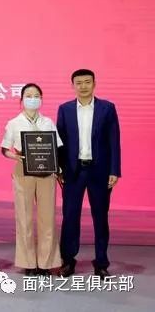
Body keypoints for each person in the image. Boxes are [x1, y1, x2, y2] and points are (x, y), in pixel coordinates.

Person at [57, 69, 121, 278]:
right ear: (73, 85)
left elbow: (114, 141)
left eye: (87, 82)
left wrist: (114, 170)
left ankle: (101, 262)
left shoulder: (107, 108)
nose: (83, 86)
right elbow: (60, 142)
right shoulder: (64, 109)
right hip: (73, 171)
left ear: (94, 84)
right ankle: (68, 260)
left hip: (99, 171)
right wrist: (59, 168)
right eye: (79, 82)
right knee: (70, 217)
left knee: (100, 217)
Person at [0, 83, 62, 276]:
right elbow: (4, 149)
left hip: (47, 172)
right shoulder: (14, 123)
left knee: (47, 218)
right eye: (28, 95)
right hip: (23, 171)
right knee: (24, 218)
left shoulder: (48, 122)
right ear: (21, 100)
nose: (32, 99)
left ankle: (46, 263)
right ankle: (28, 262)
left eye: (36, 96)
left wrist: (59, 170)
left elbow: (57, 147)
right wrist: (16, 157)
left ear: (41, 100)